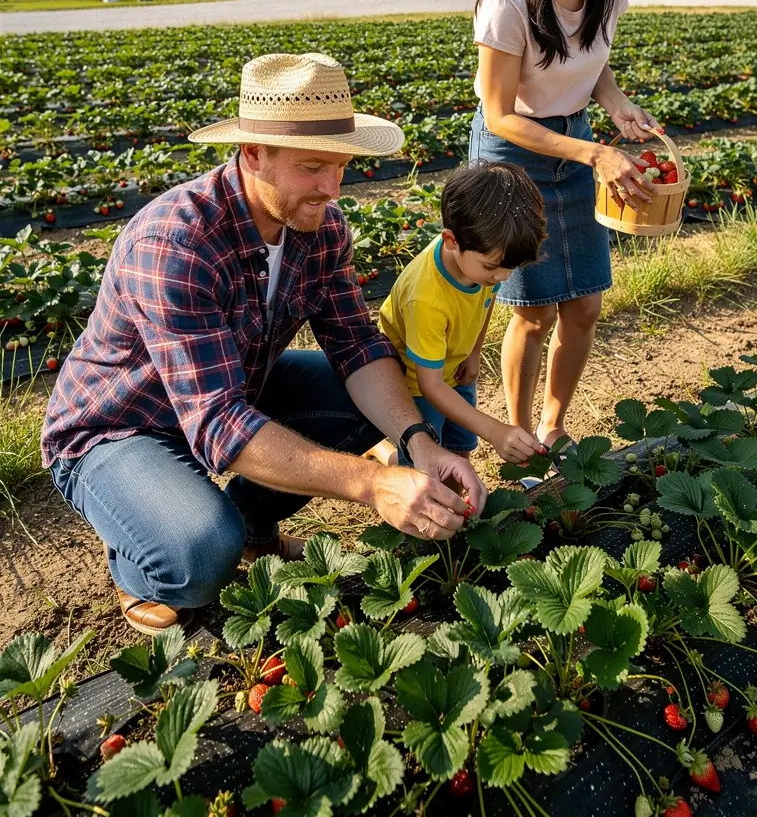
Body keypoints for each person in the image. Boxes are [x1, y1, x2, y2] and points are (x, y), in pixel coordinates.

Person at [41, 53, 486, 635]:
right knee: (201, 554)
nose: (332, 188)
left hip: (231, 389)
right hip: (121, 426)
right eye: (312, 167)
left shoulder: (320, 229)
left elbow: (355, 345)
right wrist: (374, 482)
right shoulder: (176, 242)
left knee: (374, 394)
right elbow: (218, 421)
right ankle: (142, 564)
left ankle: (252, 525)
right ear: (254, 154)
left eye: (341, 166)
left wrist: (419, 442)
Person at [470, 0, 662, 450]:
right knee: (534, 311)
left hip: (576, 144)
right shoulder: (509, 3)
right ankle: (519, 433)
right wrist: (595, 154)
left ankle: (555, 426)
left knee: (584, 306)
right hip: (513, 153)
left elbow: (592, 60)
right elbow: (501, 113)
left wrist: (617, 102)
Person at [376, 161, 547, 467]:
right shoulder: (426, 298)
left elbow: (486, 301)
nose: (503, 278)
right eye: (493, 267)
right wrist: (495, 430)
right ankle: (384, 452)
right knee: (425, 464)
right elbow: (430, 385)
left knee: (459, 452)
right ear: (451, 241)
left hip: (455, 368)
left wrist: (474, 351)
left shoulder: (482, 265)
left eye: (510, 268)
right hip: (416, 384)